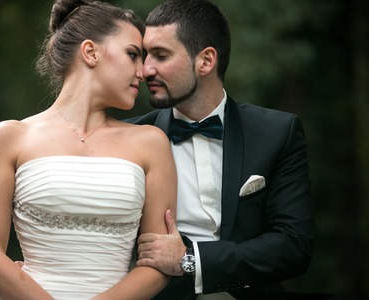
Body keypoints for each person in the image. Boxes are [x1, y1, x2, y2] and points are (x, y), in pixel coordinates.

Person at [0, 0, 177, 299]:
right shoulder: (10, 136)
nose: (143, 72)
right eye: (132, 54)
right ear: (90, 52)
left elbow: (157, 265)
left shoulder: (151, 143)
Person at [131, 0, 315, 299]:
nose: (145, 69)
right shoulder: (130, 138)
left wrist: (193, 261)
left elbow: (294, 245)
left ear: (205, 61)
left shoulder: (277, 133)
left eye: (160, 55)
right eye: (143, 55)